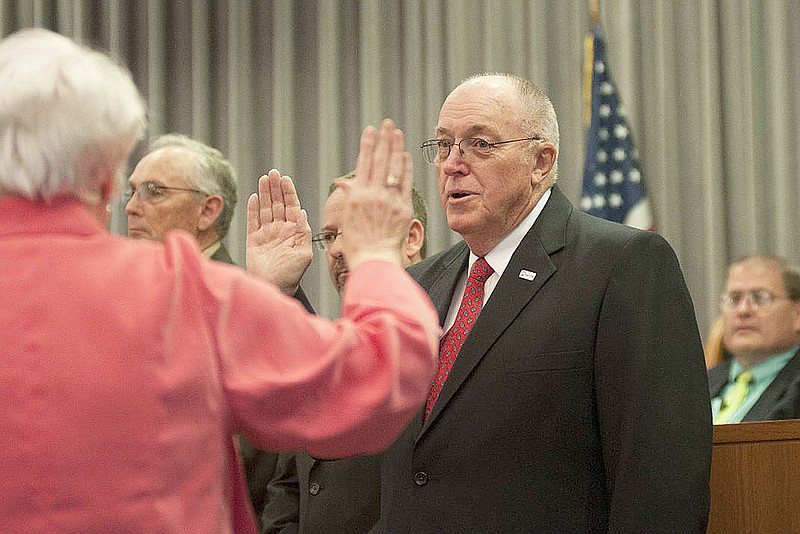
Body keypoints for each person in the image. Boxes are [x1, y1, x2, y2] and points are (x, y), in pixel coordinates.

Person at [0, 28, 440, 534]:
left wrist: (267, 291)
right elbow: (376, 383)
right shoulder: (178, 292)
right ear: (106, 177)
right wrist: (377, 255)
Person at [377, 73, 712, 532]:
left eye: (480, 144)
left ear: (541, 161)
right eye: (443, 145)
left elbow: (660, 478)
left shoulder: (622, 265)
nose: (452, 163)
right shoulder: (416, 285)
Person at [126, 133, 313, 520]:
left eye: (152, 191)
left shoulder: (243, 299)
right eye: (131, 192)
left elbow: (259, 451)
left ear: (208, 211)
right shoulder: (129, 302)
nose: (131, 207)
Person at [261, 172, 427, 534]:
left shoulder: (449, 336)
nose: (336, 249)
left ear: (411, 238)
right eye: (330, 236)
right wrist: (275, 291)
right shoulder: (332, 346)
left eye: (354, 228)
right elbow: (288, 487)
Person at [708, 254, 800, 423]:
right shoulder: (699, 383)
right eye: (734, 298)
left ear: (797, 314)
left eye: (760, 298)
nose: (743, 310)